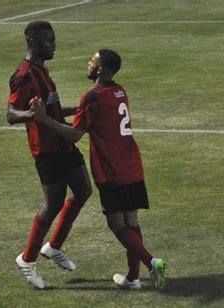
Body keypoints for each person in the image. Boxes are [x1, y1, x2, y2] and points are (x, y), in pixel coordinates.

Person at [31, 49, 167, 290]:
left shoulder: (92, 96)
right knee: (132, 222)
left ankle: (151, 262)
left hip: (111, 169)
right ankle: (133, 279)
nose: (88, 64)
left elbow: (74, 135)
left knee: (117, 225)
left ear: (101, 68)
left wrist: (45, 120)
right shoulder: (119, 91)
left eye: (92, 61)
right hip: (132, 165)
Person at [7, 21, 92, 289]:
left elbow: (51, 111)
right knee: (52, 204)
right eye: (49, 40)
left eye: (54, 40)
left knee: (83, 191)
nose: (54, 44)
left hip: (63, 143)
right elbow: (11, 114)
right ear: (33, 41)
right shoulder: (23, 75)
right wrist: (35, 115)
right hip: (46, 150)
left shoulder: (43, 71)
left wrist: (81, 110)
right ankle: (27, 259)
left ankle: (53, 247)